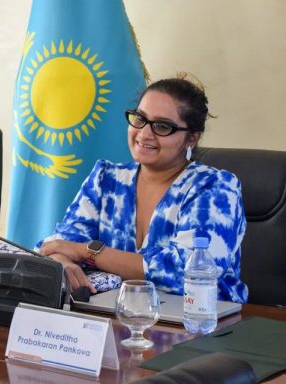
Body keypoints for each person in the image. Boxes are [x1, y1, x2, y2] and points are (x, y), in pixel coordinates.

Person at [38, 76, 248, 303]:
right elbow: (61, 243)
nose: (145, 133)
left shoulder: (215, 187)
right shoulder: (106, 178)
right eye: (140, 118)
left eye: (162, 126)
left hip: (198, 316)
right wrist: (64, 263)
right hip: (113, 313)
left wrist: (87, 252)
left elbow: (184, 271)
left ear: (192, 138)